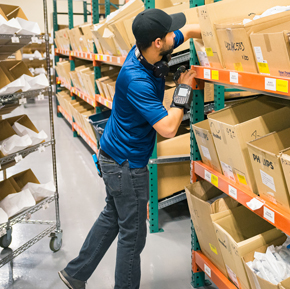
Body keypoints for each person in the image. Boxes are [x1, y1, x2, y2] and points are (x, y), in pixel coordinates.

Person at [58, 8, 201, 289]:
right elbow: (169, 128)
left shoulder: (142, 49)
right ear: (157, 43)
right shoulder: (137, 80)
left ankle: (76, 274)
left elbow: (190, 29)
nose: (174, 36)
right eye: (168, 34)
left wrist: (211, 35)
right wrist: (183, 89)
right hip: (126, 166)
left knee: (112, 218)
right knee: (133, 236)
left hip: (113, 156)